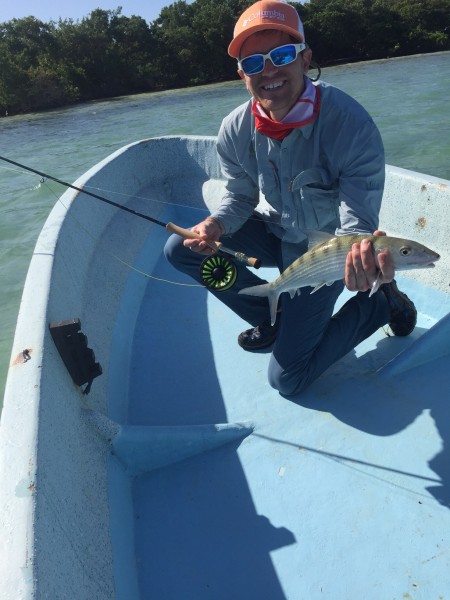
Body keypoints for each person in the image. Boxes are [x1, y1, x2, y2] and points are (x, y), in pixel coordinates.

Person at [164, 0, 416, 397]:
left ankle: (380, 305)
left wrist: (357, 261)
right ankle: (275, 317)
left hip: (327, 253)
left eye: (281, 55)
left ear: (305, 59)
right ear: (241, 74)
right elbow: (240, 198)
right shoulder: (234, 129)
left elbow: (356, 224)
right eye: (253, 63)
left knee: (288, 379)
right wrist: (215, 224)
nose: (268, 71)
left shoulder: (351, 125)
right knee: (182, 247)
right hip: (279, 235)